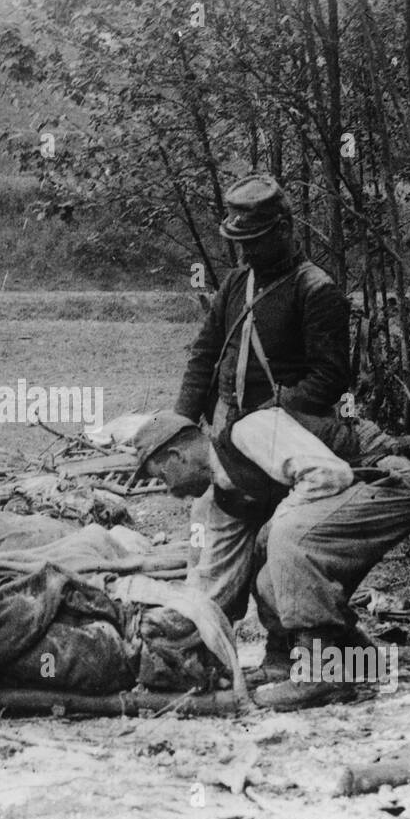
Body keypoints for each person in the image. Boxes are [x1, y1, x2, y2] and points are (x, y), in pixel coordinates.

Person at [131, 407, 410, 702]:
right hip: (352, 499)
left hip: (389, 482)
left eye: (162, 477)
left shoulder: (249, 431)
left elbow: (331, 475)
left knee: (288, 535)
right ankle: (349, 659)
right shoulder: (219, 502)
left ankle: (321, 675)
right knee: (268, 580)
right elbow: (213, 585)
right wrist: (182, 641)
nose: (168, 490)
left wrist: (272, 526)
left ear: (176, 456)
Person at [169, 173, 354, 658]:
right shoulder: (235, 283)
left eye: (253, 242)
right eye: (238, 243)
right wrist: (181, 425)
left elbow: (331, 378)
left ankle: (286, 647)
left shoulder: (316, 290)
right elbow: (204, 355)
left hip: (290, 443)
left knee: (282, 546)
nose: (244, 254)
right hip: (233, 443)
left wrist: (273, 417)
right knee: (217, 536)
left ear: (285, 230)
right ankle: (207, 642)